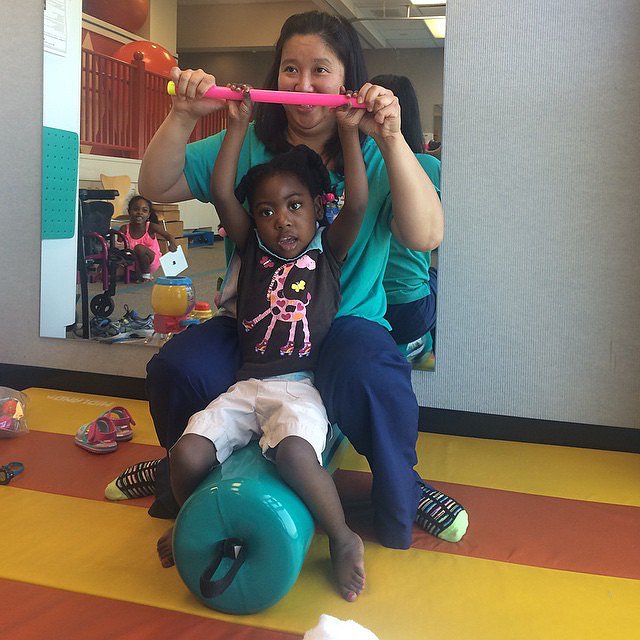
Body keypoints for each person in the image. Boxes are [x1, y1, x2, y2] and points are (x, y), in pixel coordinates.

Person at [129, 10, 466, 551]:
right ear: (274, 75)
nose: (304, 86)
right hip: (256, 329)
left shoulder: (372, 154)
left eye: (321, 71)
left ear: (345, 79)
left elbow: (425, 236)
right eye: (290, 69)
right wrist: (183, 114)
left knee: (374, 378)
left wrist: (393, 137)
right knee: (179, 368)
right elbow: (157, 181)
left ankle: (403, 482)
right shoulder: (250, 144)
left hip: (347, 320)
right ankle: (183, 474)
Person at [157, 84, 369, 602]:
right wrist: (234, 127)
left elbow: (359, 201)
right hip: (245, 386)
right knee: (185, 455)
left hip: (299, 388)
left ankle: (342, 538)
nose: (282, 219)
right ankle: (193, 519)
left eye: (295, 206)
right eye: (268, 211)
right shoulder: (251, 251)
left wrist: (346, 129)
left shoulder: (327, 254)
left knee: (297, 456)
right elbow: (225, 192)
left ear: (318, 210)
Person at [370, 74, 441, 362]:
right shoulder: (428, 165)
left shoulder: (360, 167)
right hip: (408, 309)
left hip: (367, 306)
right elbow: (432, 240)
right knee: (437, 279)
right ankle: (424, 346)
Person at [119, 195, 177, 281]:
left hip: (151, 261)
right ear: (129, 211)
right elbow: (119, 245)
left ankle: (146, 274)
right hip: (132, 261)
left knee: (139, 248)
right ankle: (137, 273)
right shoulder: (124, 228)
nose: (140, 212)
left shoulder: (151, 227)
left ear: (149, 214)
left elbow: (169, 236)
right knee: (115, 274)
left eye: (144, 210)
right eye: (135, 209)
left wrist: (172, 244)